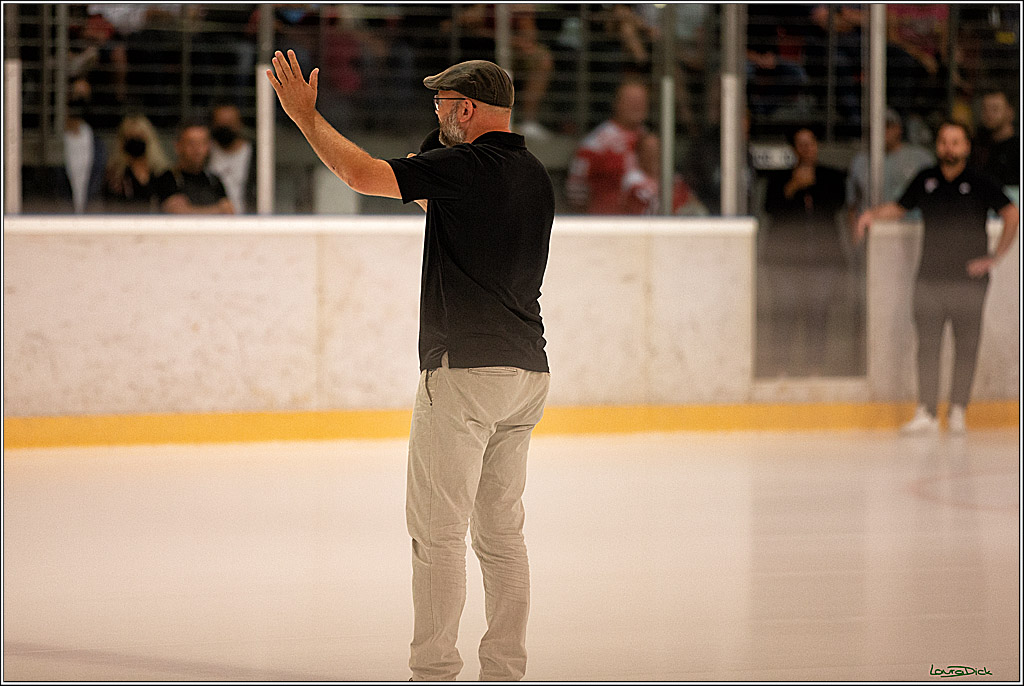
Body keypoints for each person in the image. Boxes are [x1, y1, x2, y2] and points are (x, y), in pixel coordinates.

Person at [267, 51, 553, 681]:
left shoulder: (466, 167)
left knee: (438, 535)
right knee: (501, 538)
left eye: (441, 105)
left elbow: (362, 176)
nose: (436, 112)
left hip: (463, 375)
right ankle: (506, 670)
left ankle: (434, 671)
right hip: (526, 375)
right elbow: (446, 211)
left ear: (468, 109)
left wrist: (306, 119)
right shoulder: (533, 174)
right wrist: (425, 166)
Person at [855, 121, 1019, 433]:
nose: (949, 147)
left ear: (966, 147)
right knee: (927, 344)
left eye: (956, 142)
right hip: (930, 278)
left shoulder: (980, 181)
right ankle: (927, 411)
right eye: (944, 141)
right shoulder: (926, 179)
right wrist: (871, 214)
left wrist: (995, 257)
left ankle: (958, 409)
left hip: (969, 279)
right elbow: (900, 207)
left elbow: (1012, 214)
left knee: (966, 344)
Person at [761, 126, 849, 376]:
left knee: (818, 314)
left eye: (810, 143)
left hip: (822, 258)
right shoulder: (779, 179)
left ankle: (815, 369)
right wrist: (793, 186)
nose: (806, 149)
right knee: (784, 313)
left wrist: (812, 186)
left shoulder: (831, 176)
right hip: (784, 259)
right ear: (793, 148)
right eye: (800, 144)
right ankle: (781, 369)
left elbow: (836, 205)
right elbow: (770, 208)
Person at [566, 78, 649, 214]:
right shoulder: (596, 143)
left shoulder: (650, 138)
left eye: (640, 101)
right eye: (631, 101)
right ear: (616, 103)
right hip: (607, 222)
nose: (637, 106)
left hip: (649, 223)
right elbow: (576, 189)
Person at [846, 108, 934, 226]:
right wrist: (855, 239)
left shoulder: (921, 158)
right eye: (877, 127)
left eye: (887, 126)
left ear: (898, 128)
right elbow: (852, 204)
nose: (882, 131)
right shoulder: (860, 161)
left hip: (911, 229)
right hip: (872, 230)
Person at [154, 120, 234, 214]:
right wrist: (218, 210)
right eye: (191, 143)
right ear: (178, 146)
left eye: (202, 143)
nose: (197, 149)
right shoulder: (167, 179)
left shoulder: (213, 180)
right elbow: (177, 213)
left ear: (209, 146)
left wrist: (190, 210)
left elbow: (229, 211)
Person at [102, 114, 169, 213]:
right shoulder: (115, 177)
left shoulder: (162, 174)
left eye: (139, 136)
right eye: (130, 137)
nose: (135, 141)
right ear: (122, 142)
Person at [207, 103, 254, 214]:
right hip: (212, 223)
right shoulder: (205, 154)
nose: (225, 129)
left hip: (250, 222)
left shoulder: (257, 156)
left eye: (230, 124)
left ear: (239, 124)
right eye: (221, 124)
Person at [969, 90, 1020, 188]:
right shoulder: (976, 145)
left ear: (1010, 112)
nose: (989, 114)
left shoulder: (1018, 148)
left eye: (995, 109)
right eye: (985, 109)